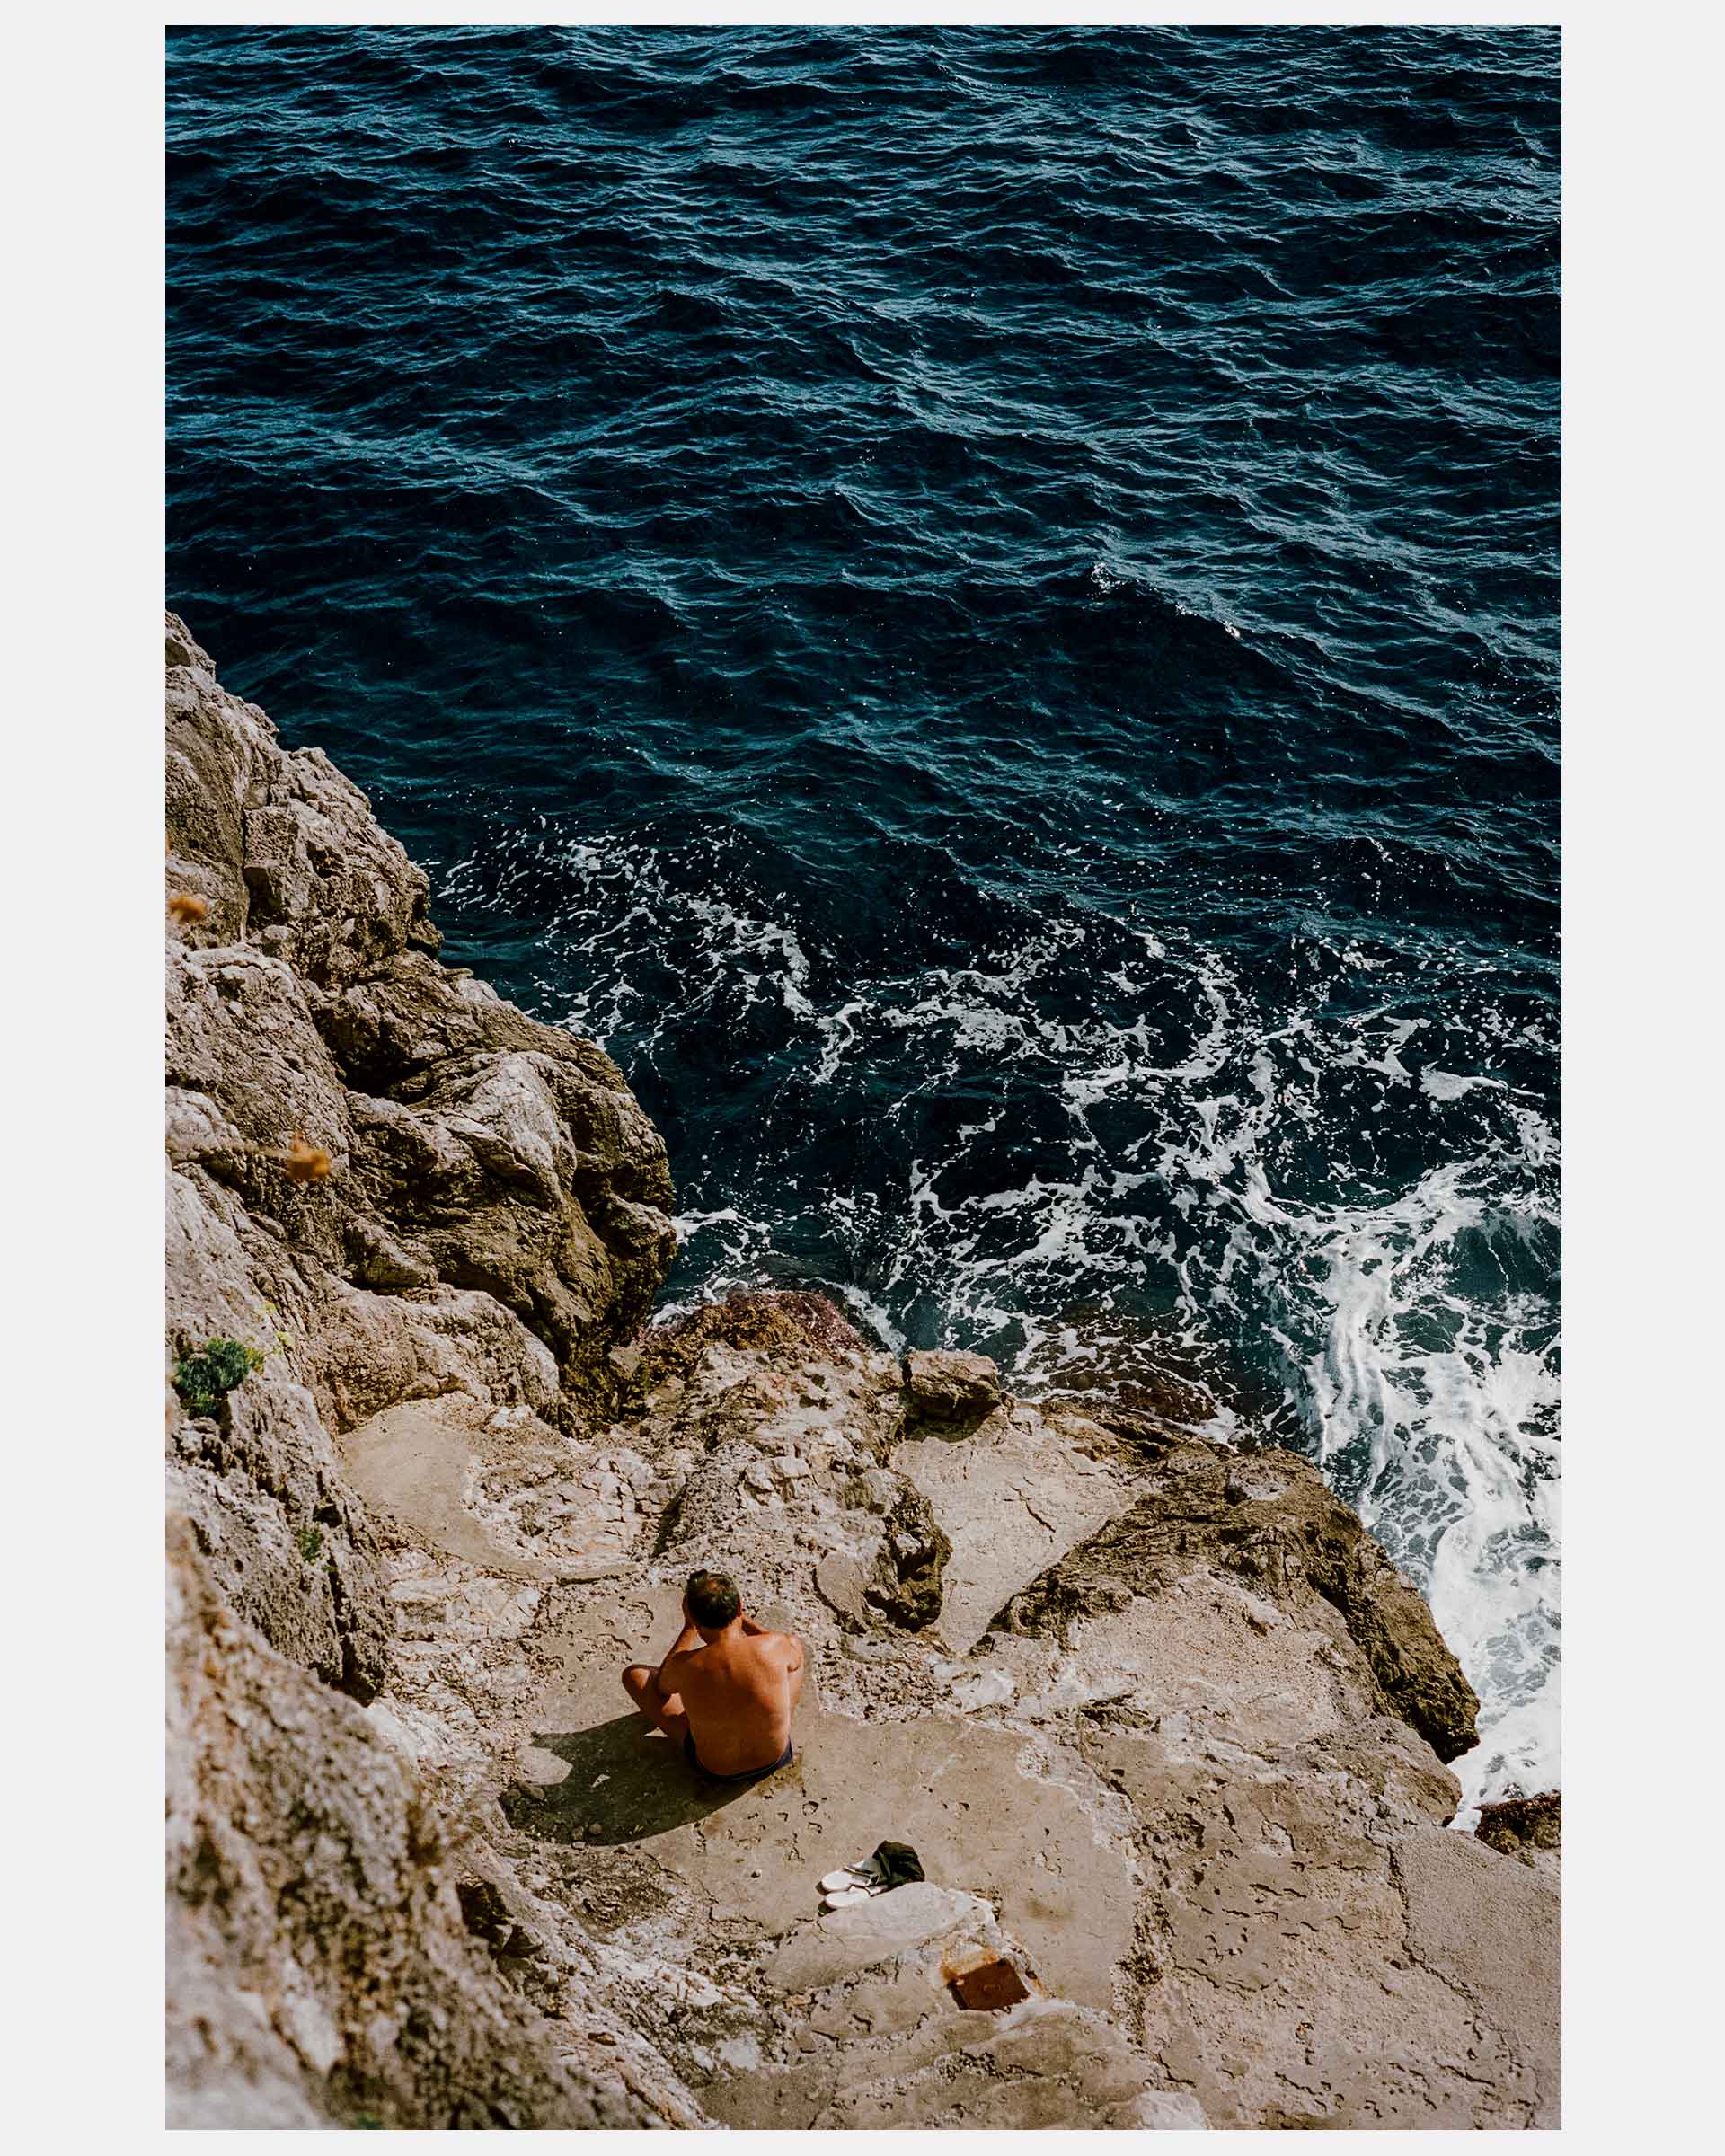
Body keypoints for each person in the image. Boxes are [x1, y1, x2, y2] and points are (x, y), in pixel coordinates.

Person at [622, 1569, 806, 1780]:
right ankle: (780, 1722)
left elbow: (661, 1688)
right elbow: (786, 1648)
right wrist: (741, 1618)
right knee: (794, 1650)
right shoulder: (777, 1645)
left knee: (634, 1675)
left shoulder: (684, 1665)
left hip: (716, 1771)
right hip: (774, 1757)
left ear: (693, 1617)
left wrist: (689, 1628)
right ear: (739, 1608)